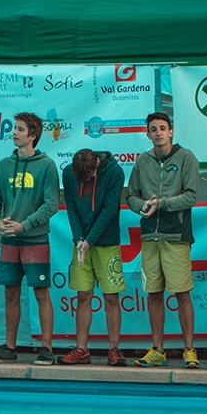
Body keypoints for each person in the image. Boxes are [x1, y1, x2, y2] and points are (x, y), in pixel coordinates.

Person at [0, 112, 59, 365]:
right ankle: (9, 347)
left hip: (35, 239)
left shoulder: (46, 165)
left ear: (33, 135)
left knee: (40, 292)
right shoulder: (4, 165)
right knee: (10, 293)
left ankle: (47, 348)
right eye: (14, 128)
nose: (14, 132)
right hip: (9, 241)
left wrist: (24, 225)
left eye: (19, 129)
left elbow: (52, 204)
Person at [127, 112, 199, 368]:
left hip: (176, 236)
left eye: (162, 128)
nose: (158, 133)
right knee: (153, 293)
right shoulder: (142, 161)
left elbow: (191, 196)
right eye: (153, 129)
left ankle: (189, 349)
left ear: (171, 132)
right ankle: (158, 349)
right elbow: (131, 196)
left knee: (182, 293)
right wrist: (142, 206)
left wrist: (163, 204)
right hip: (149, 237)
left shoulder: (186, 157)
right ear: (147, 134)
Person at [58, 149, 127, 367]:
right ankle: (81, 349)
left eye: (89, 178)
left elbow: (109, 210)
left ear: (96, 165)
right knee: (83, 295)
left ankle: (114, 349)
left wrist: (90, 240)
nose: (85, 182)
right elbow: (71, 208)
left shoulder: (114, 172)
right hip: (81, 244)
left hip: (106, 242)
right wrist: (79, 239)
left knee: (111, 297)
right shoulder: (69, 173)